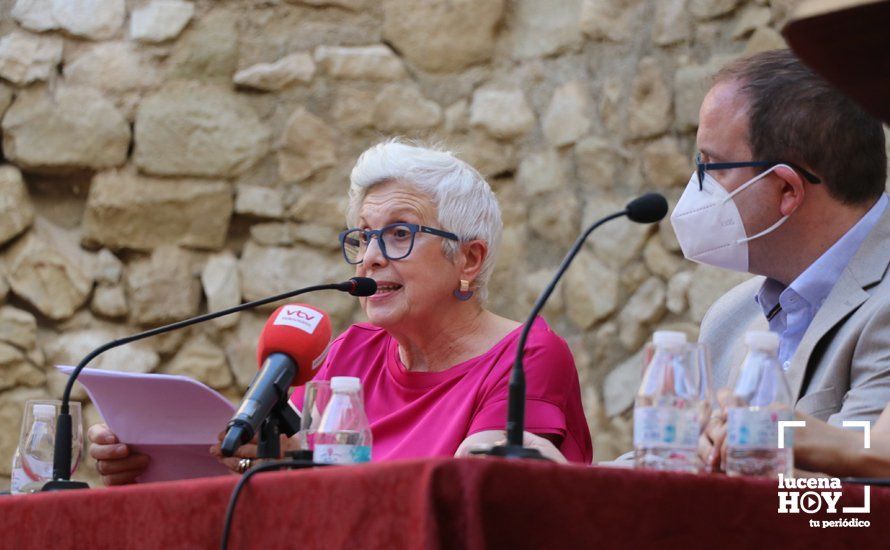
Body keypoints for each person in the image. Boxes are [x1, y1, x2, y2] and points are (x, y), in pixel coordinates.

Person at [88, 140, 593, 485]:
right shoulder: (351, 352)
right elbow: (287, 468)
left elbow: (479, 498)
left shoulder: (527, 357)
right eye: (363, 236)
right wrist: (158, 455)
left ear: (469, 258)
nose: (371, 255)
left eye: (399, 233)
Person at [667, 49, 889, 471]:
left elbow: (856, 504)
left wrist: (764, 443)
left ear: (788, 190)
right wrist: (555, 475)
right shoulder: (729, 317)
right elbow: (667, 464)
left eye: (710, 166)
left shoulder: (884, 307)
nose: (696, 188)